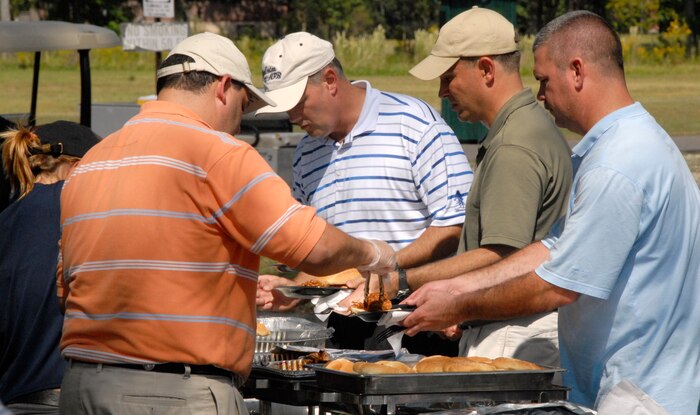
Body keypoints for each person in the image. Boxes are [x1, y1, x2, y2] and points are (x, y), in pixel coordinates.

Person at [56, 32, 396, 415]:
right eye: (244, 104)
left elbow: (68, 288)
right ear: (222, 87)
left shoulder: (92, 162)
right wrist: (374, 254)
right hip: (174, 393)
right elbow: (314, 247)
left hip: (82, 385)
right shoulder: (218, 152)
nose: (239, 123)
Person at [401, 11, 700, 415]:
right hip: (628, 389)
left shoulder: (619, 162)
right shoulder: (614, 147)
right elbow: (552, 248)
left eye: (543, 80)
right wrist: (459, 287)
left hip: (641, 396)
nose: (539, 94)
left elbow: (558, 286)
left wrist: (460, 307)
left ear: (576, 71)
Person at [366, 6, 572, 367]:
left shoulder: (513, 144)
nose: (443, 91)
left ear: (486, 69)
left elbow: (502, 254)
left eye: (448, 77)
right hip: (512, 325)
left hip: (513, 334)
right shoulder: (523, 127)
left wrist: (400, 281)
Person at [254, 32, 473, 353]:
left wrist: (385, 268)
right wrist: (294, 287)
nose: (293, 117)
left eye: (298, 103)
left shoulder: (414, 122)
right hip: (341, 328)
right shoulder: (306, 154)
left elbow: (456, 224)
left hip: (420, 322)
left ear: (330, 80)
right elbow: (322, 247)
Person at [0, 121, 100, 414]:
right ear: (79, 166)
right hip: (69, 396)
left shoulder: (5, 221)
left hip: (13, 398)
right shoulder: (81, 212)